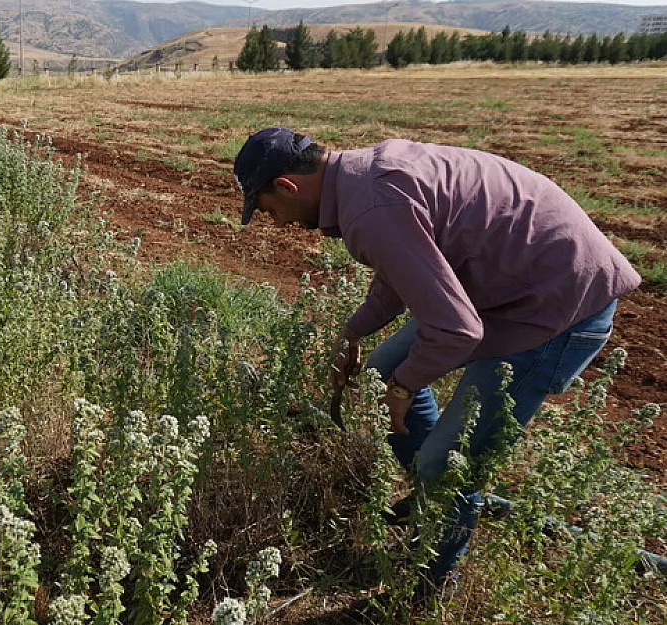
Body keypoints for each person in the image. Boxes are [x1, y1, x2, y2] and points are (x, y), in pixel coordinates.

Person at [233, 126, 640, 598]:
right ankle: (434, 496)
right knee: (380, 377)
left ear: (287, 186)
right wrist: (352, 333)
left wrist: (405, 387)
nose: (278, 224)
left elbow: (456, 329)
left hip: (555, 309)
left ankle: (430, 584)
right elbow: (404, 271)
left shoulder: (372, 209)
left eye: (268, 211)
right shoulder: (365, 176)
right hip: (508, 291)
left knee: (448, 463)